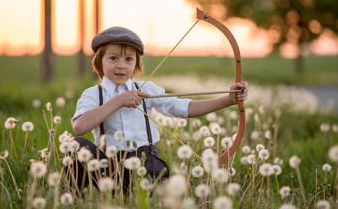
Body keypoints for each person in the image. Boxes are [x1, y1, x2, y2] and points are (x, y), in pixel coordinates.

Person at [70, 26, 248, 192]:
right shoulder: (93, 94)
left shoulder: (146, 89)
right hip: (107, 168)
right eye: (113, 58)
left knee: (158, 181)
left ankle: (138, 192)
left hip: (145, 164)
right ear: (99, 61)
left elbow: (184, 108)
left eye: (129, 59)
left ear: (136, 64)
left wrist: (227, 100)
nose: (121, 65)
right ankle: (82, 195)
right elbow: (79, 127)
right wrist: (118, 101)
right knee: (78, 145)